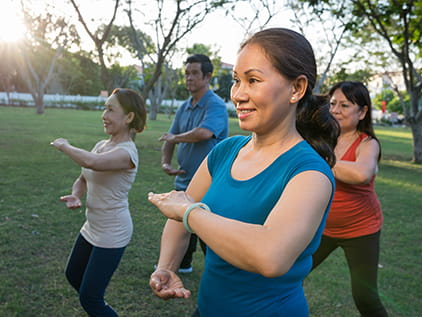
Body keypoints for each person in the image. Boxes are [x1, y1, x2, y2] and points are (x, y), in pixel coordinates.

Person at [148, 28, 340, 316]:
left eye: (253, 80)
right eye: (237, 80)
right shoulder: (225, 151)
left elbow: (271, 256)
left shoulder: (310, 173)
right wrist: (166, 266)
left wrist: (191, 212)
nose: (238, 94)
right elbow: (178, 218)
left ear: (296, 89)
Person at [50, 88, 147, 317]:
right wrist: (76, 194)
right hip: (92, 226)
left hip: (113, 231)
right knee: (73, 275)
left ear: (129, 117)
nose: (104, 115)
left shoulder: (127, 153)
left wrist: (65, 145)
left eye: (111, 110)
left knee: (90, 298)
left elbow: (92, 162)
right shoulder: (102, 145)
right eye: (105, 108)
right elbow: (83, 177)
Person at [311, 81, 388, 316]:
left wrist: (321, 162)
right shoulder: (322, 138)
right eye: (333, 103)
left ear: (362, 112)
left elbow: (361, 173)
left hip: (361, 230)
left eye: (345, 105)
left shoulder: (367, 143)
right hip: (323, 228)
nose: (335, 110)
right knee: (287, 273)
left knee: (365, 298)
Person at [158, 53, 228, 273]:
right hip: (185, 178)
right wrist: (166, 162)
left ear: (207, 77)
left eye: (194, 73)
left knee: (207, 227)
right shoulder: (184, 106)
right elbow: (170, 136)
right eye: (187, 73)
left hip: (210, 181)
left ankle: (219, 270)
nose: (189, 78)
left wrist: (176, 139)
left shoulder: (215, 105)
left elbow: (204, 133)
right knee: (180, 221)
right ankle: (183, 264)